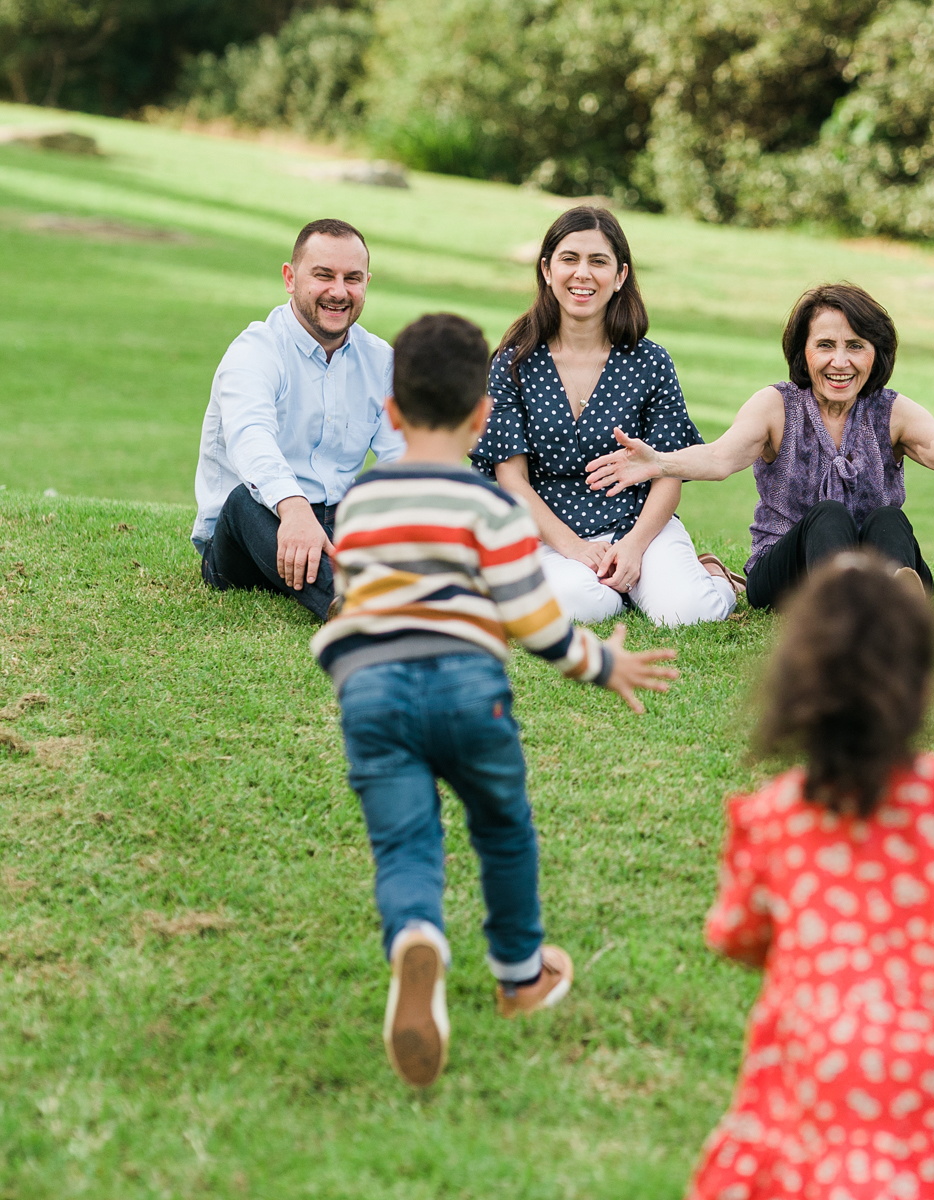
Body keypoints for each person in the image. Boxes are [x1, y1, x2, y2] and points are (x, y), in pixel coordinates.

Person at [311, 313, 681, 1088]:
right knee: (504, 829)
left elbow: (348, 600)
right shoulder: (492, 509)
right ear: (483, 417)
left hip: (372, 696)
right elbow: (534, 618)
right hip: (467, 688)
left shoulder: (364, 500)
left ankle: (418, 935)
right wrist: (601, 663)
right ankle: (519, 976)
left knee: (406, 845)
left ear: (392, 413)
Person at [689, 555, 934, 1199]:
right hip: (932, 1048)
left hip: (810, 1045)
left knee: (811, 1169)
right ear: (923, 690)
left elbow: (736, 932)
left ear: (794, 689)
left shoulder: (772, 816)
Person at [585, 283, 934, 609]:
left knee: (889, 520)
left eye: (855, 346)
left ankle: (893, 604)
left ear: (876, 353)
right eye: (826, 345)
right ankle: (847, 612)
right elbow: (720, 457)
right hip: (788, 574)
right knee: (828, 515)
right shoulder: (776, 406)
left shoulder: (891, 411)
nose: (840, 361)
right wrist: (659, 461)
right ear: (803, 351)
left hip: (880, 567)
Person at [471, 206, 739, 626]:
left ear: (620, 276)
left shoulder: (651, 362)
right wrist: (574, 547)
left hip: (638, 524)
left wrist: (633, 547)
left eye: (598, 261)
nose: (583, 273)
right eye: (569, 258)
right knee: (581, 602)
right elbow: (511, 479)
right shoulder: (513, 364)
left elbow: (668, 472)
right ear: (546, 269)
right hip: (550, 531)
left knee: (689, 614)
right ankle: (617, 590)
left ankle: (713, 577)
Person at [192, 218, 403, 620]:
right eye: (323, 275)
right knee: (242, 499)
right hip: (249, 538)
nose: (338, 292)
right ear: (290, 278)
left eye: (352, 279)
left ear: (366, 283)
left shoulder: (382, 361)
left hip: (337, 524)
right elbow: (250, 437)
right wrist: (293, 508)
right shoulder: (255, 350)